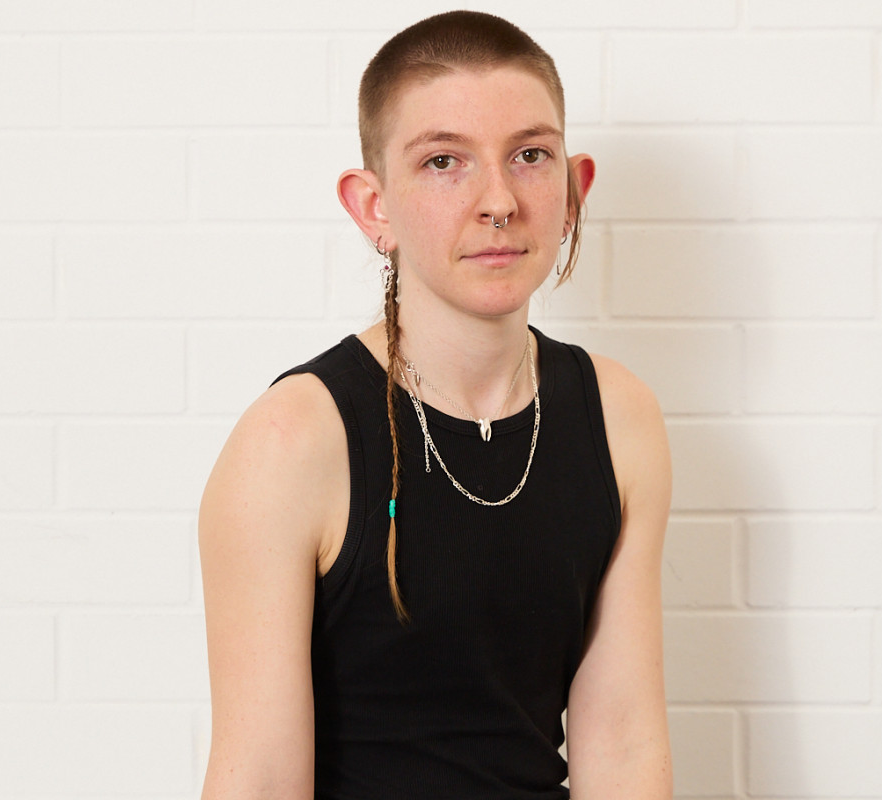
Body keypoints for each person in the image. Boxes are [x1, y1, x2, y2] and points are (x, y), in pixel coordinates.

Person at [197, 10, 672, 799]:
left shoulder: (620, 418)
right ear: (372, 207)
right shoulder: (291, 441)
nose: (498, 200)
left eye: (529, 155)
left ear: (572, 189)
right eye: (445, 161)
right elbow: (260, 778)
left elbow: (622, 745)